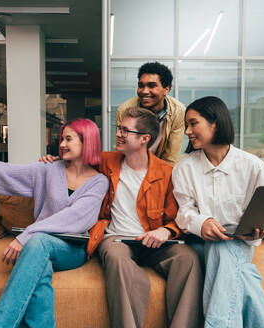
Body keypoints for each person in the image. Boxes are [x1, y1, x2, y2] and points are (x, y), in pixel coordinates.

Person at [0, 118, 109, 328]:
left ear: (87, 142)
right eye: (61, 139)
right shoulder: (48, 169)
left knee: (39, 241)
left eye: (68, 139)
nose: (61, 144)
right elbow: (5, 172)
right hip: (38, 247)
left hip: (71, 249)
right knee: (40, 272)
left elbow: (77, 217)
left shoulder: (99, 181)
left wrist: (27, 235)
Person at [42, 107, 202, 328]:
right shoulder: (105, 162)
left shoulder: (167, 173)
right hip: (115, 239)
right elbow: (74, 162)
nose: (118, 134)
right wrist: (54, 161)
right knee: (117, 258)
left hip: (154, 242)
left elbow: (178, 216)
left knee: (188, 258)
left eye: (125, 131)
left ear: (144, 139)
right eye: (119, 129)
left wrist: (165, 231)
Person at [171, 96, 264, 328]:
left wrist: (258, 231)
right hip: (200, 244)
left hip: (239, 244)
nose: (187, 131)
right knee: (242, 273)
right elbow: (184, 212)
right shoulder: (184, 168)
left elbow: (261, 214)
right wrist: (202, 223)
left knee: (226, 247)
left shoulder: (254, 166)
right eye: (186, 125)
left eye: (193, 123)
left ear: (215, 123)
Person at [116, 62, 185, 166]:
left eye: (152, 86)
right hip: (130, 165)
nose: (144, 91)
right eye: (141, 86)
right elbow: (123, 149)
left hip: (160, 166)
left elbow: (171, 157)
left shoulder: (178, 111)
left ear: (166, 89)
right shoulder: (125, 110)